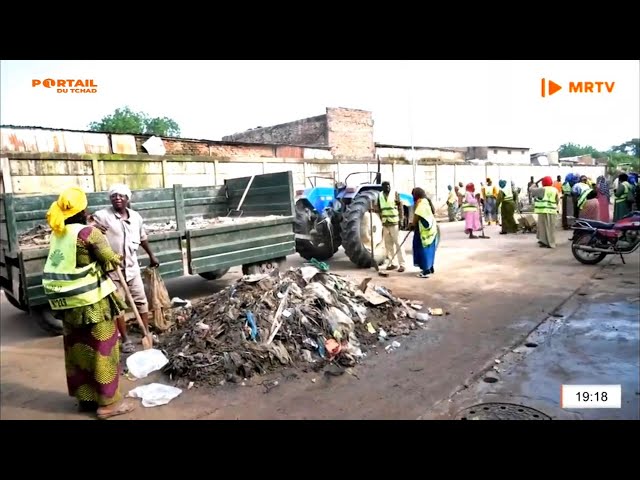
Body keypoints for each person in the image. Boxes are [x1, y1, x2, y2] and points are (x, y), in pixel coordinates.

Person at [41, 186, 137, 419]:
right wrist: (117, 256)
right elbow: (108, 260)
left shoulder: (58, 232)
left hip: (68, 304)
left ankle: (86, 399)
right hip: (91, 302)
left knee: (78, 351)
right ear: (83, 209)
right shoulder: (88, 233)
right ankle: (107, 404)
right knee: (103, 351)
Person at [91, 184, 160, 353]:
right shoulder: (102, 216)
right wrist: (91, 224)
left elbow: (142, 238)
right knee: (118, 307)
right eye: (114, 196)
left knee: (141, 302)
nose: (117, 198)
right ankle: (126, 339)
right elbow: (86, 220)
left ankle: (146, 333)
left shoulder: (136, 217)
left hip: (132, 268)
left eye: (121, 196)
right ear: (110, 199)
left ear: (128, 199)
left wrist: (152, 256)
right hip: (112, 271)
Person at [374, 181, 406, 273]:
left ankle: (402, 264)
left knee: (398, 243)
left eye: (388, 186)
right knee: (388, 245)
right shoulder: (380, 196)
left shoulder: (395, 194)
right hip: (385, 223)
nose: (387, 188)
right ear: (382, 188)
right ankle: (393, 263)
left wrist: (401, 220)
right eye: (385, 186)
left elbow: (400, 207)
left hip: (395, 222)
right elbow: (379, 208)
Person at [411, 188, 439, 278]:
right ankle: (430, 267)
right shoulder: (426, 201)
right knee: (430, 249)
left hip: (424, 231)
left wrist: (412, 225)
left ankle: (426, 270)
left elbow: (417, 216)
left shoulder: (421, 203)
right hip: (431, 229)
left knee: (422, 249)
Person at [530, 176, 559, 248]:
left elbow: (531, 189)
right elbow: (557, 200)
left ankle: (548, 243)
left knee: (543, 227)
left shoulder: (542, 189)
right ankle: (549, 241)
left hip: (543, 211)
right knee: (551, 228)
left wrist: (537, 182)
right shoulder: (555, 189)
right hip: (552, 210)